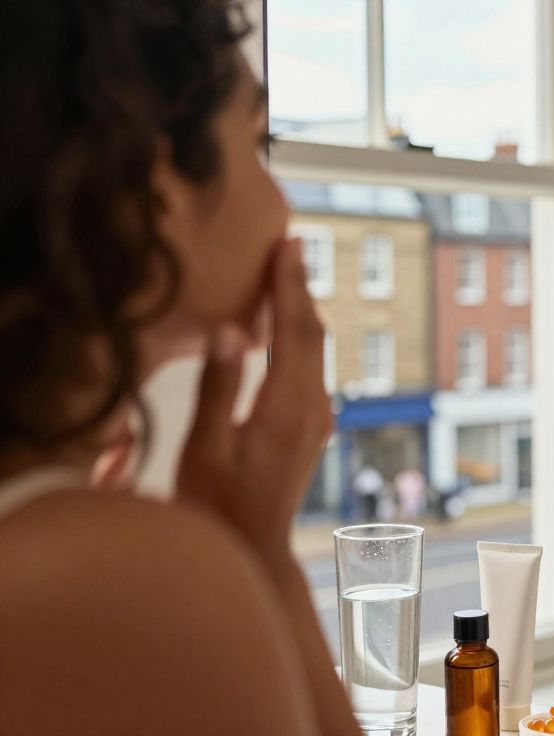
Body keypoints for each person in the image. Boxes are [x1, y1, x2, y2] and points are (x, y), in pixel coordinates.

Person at [0, 1, 359, 733]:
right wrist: (262, 555)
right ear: (160, 192)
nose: (281, 202)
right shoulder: (121, 582)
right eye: (258, 142)